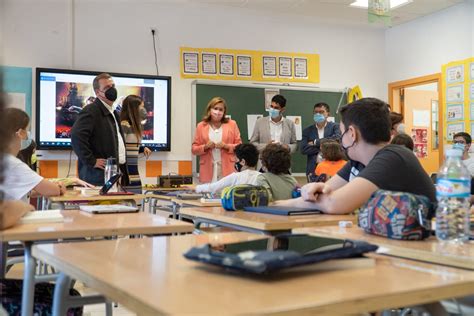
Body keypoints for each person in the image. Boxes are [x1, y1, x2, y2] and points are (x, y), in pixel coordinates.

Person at [276, 98, 435, 214]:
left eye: (342, 132)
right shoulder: (356, 162)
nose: (341, 139)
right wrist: (277, 204)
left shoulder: (394, 157)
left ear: (352, 133)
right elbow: (325, 193)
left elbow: (334, 203)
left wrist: (312, 197)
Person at [0, 109, 93, 203]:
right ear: (20, 133)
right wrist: (59, 187)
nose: (28, 136)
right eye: (27, 131)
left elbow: (30, 190)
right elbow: (54, 190)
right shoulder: (13, 164)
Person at [71, 73, 129, 186]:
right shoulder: (91, 110)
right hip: (97, 178)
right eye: (107, 88)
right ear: (98, 92)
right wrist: (91, 160)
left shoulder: (114, 112)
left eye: (113, 86)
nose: (112, 90)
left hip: (113, 175)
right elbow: (76, 136)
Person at [192, 97, 242, 183]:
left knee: (226, 194)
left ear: (224, 112)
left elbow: (240, 146)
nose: (218, 112)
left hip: (228, 169)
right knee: (208, 194)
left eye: (221, 109)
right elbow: (194, 149)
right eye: (215, 108)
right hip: (207, 170)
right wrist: (205, 147)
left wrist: (226, 146)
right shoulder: (201, 126)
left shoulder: (232, 124)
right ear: (209, 110)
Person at [195, 143, 260, 194]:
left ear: (243, 161)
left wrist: (195, 188)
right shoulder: (261, 176)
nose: (235, 162)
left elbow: (213, 188)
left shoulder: (235, 177)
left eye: (236, 160)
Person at [120, 95, 152, 193]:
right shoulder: (124, 125)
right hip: (125, 173)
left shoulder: (136, 126)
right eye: (141, 107)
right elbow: (119, 147)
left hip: (133, 171)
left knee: (136, 203)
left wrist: (142, 148)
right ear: (134, 108)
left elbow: (130, 145)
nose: (144, 110)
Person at [301, 102, 341, 175]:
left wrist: (316, 142)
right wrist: (327, 147)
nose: (318, 114)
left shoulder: (335, 127)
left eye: (321, 112)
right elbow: (304, 149)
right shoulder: (307, 131)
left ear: (328, 114)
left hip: (332, 167)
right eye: (316, 112)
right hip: (313, 168)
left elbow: (337, 140)